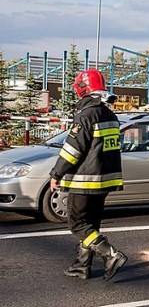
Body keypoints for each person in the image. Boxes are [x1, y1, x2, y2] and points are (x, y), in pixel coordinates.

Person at [49, 69, 128, 281]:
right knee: (91, 224)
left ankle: (110, 254)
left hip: (85, 180)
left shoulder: (86, 115)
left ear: (82, 90)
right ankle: (82, 265)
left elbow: (73, 150)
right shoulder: (109, 115)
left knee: (77, 224)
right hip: (104, 180)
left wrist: (56, 174)